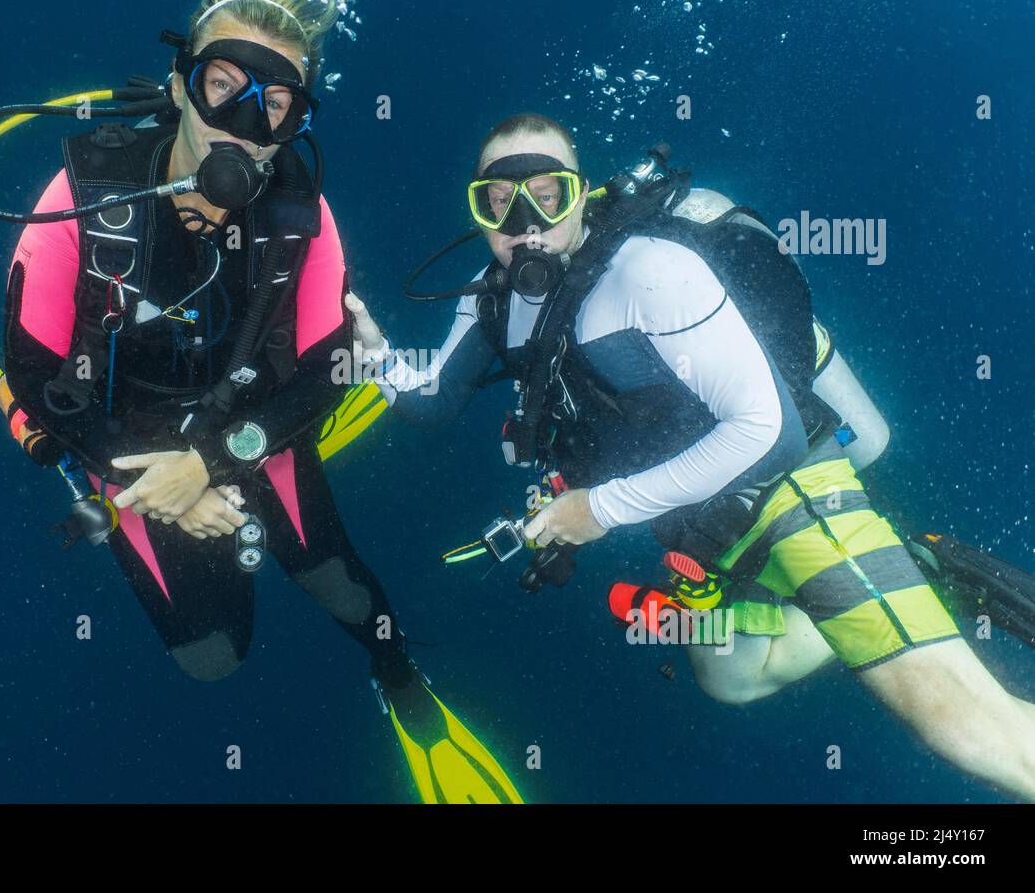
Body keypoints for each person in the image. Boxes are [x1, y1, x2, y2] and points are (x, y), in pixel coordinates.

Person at [347, 112, 1035, 800]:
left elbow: (768, 431)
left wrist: (598, 509)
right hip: (695, 525)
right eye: (498, 202)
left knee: (972, 733)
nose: (524, 219)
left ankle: (880, 586)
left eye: (548, 193)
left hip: (791, 490)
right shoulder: (495, 299)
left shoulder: (649, 272)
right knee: (733, 678)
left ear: (580, 195)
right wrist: (376, 356)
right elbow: (434, 399)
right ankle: (918, 572)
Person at [0, 0, 521, 804]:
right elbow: (30, 374)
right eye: (223, 85)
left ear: (292, 125)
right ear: (179, 84)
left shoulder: (301, 220)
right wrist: (161, 484)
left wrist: (207, 462)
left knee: (345, 589)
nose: (244, 122)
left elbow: (325, 374)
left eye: (275, 104)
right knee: (213, 658)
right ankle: (223, 544)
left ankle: (395, 674)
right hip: (122, 451)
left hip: (253, 426)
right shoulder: (83, 198)